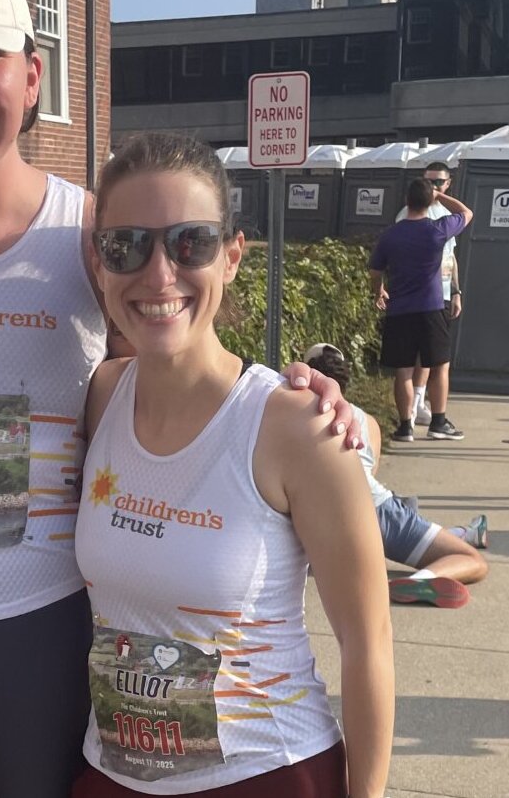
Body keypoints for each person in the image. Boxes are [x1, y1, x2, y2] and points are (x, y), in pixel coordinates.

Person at [0, 0, 360, 798]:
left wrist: (305, 407)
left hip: (46, 627)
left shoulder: (102, 234)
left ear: (31, 76)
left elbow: (176, 387)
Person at [74, 132, 393, 798]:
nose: (157, 274)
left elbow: (368, 646)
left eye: (188, 242)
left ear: (231, 256)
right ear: (98, 262)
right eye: (124, 245)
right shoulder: (102, 394)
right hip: (111, 776)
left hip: (263, 774)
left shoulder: (295, 426)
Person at [304, 343, 488, 609]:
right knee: (472, 561)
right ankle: (422, 578)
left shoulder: (287, 418)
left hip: (319, 527)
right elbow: (369, 476)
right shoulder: (367, 422)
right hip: (378, 516)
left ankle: (465, 532)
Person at [370, 178, 472, 443]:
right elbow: (466, 213)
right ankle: (438, 422)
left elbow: (375, 270)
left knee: (403, 370)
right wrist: (440, 196)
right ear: (429, 201)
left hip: (399, 311)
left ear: (406, 200)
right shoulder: (437, 229)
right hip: (431, 308)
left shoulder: (391, 234)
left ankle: (405, 427)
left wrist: (379, 290)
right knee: (439, 365)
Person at [394, 162, 463, 427]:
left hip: (444, 293)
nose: (433, 188)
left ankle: (419, 403)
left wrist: (456, 290)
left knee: (431, 356)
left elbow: (451, 256)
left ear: (448, 184)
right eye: (428, 182)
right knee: (416, 357)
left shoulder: (445, 213)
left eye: (439, 183)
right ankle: (414, 412)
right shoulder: (408, 214)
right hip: (420, 296)